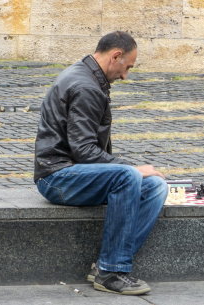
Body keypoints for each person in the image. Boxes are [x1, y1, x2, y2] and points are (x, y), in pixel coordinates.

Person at [34, 31, 168, 295]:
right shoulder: (85, 86)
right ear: (115, 56)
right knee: (128, 176)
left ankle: (110, 261)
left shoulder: (87, 76)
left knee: (155, 187)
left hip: (76, 173)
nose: (125, 75)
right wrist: (130, 168)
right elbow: (83, 150)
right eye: (127, 67)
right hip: (57, 178)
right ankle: (110, 271)